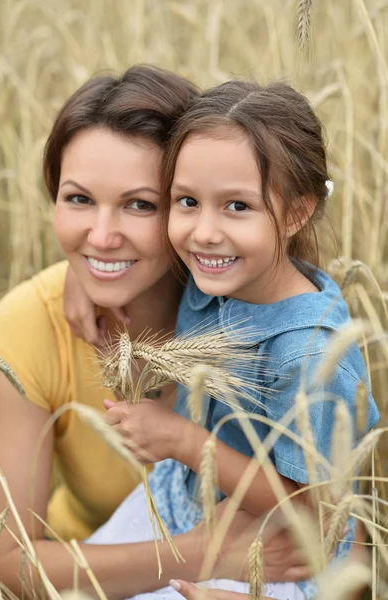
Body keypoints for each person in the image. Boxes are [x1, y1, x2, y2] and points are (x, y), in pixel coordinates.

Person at [0, 66, 313, 597]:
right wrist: (203, 554)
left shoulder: (263, 310)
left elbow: (334, 530)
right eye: (78, 199)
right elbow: (12, 563)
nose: (101, 235)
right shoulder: (29, 325)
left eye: (140, 204)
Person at [83, 79, 379, 599]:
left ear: (296, 212)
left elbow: (311, 507)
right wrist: (78, 282)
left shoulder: (308, 354)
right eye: (187, 201)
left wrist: (183, 441)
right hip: (184, 501)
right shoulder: (216, 273)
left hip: (277, 552)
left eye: (237, 206)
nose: (203, 231)